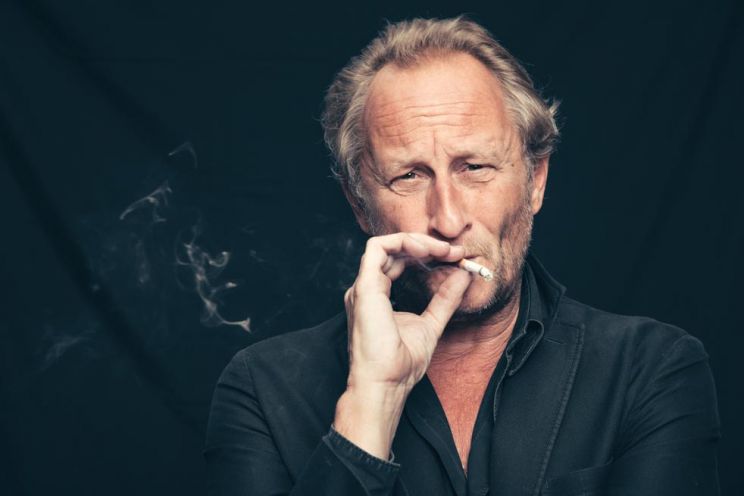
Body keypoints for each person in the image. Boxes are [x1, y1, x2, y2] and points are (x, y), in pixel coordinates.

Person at [205, 16, 721, 495]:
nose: (448, 220)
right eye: (409, 176)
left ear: (535, 181)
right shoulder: (261, 390)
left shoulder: (651, 369)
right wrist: (371, 404)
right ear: (359, 204)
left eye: (474, 167)